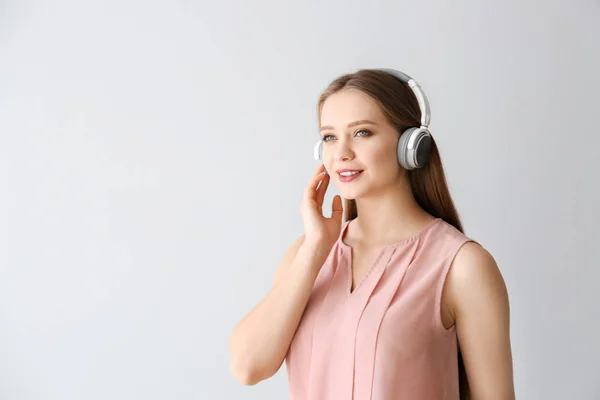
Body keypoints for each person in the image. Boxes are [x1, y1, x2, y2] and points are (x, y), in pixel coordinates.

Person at [228, 68, 515, 399]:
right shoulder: (306, 254)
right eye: (330, 137)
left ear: (410, 146)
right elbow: (247, 367)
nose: (342, 153)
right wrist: (314, 250)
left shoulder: (463, 266)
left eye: (362, 133)